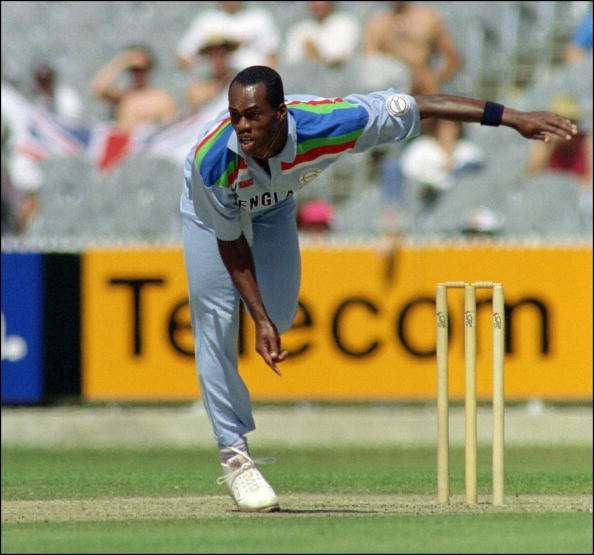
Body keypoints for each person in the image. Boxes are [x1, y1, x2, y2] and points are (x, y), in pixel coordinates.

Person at [180, 65, 577, 513]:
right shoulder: (213, 159)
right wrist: (256, 319)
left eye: (253, 115)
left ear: (282, 112)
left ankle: (265, 325)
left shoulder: (330, 121)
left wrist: (512, 117)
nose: (243, 127)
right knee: (214, 317)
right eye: (235, 116)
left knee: (281, 313)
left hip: (275, 205)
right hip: (211, 215)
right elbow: (230, 244)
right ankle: (236, 457)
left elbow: (421, 106)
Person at [363, 1, 461, 95]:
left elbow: (452, 59)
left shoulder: (428, 19)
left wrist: (434, 78)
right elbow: (369, 65)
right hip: (392, 96)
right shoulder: (377, 24)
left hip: (425, 93)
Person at [91, 45, 177, 130]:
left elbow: (170, 128)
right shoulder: (123, 96)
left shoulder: (161, 99)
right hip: (126, 141)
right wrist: (122, 61)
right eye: (133, 70)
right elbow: (98, 89)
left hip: (151, 142)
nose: (138, 74)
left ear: (149, 69)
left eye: (142, 69)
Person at [177, 1, 280, 71]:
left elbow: (273, 54)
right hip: (216, 83)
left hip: (253, 78)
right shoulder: (206, 20)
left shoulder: (260, 18)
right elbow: (184, 58)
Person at [525, 94, 592, 188]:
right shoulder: (543, 141)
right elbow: (530, 178)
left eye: (570, 122)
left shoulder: (586, 141)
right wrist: (551, 145)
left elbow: (590, 183)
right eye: (559, 122)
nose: (564, 127)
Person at [284, 1, 360, 68]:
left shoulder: (346, 23)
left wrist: (315, 54)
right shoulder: (299, 29)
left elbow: (341, 60)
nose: (317, 4)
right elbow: (291, 61)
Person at [186, 37, 239, 113]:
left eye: (221, 55)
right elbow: (193, 101)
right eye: (214, 55)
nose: (218, 60)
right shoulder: (201, 82)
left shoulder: (239, 76)